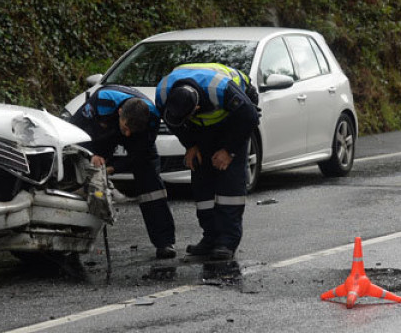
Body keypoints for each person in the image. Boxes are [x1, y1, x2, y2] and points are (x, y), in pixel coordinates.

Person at [155, 63, 259, 261]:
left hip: (234, 122)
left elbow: (250, 117)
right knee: (202, 181)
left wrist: (229, 151)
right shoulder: (163, 92)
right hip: (201, 128)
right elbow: (171, 121)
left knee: (229, 182)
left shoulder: (220, 90)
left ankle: (226, 242)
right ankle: (210, 238)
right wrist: (190, 145)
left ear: (196, 108)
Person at [70, 85, 177, 259]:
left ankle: (165, 242)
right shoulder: (101, 101)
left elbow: (140, 153)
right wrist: (92, 155)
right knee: (82, 179)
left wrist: (113, 168)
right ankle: (72, 241)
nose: (127, 134)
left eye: (131, 131)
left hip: (138, 143)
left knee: (152, 188)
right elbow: (74, 131)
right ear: (120, 112)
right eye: (126, 128)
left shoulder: (152, 117)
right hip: (100, 137)